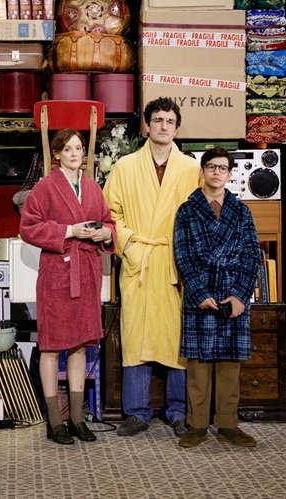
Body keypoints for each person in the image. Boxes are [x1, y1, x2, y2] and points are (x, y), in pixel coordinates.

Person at [102, 97, 203, 437]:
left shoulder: (190, 168)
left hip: (175, 262)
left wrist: (187, 253)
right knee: (137, 335)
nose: (163, 126)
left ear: (177, 128)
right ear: (146, 125)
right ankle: (136, 412)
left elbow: (201, 214)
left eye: (169, 121)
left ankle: (178, 411)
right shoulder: (125, 166)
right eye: (157, 120)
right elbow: (109, 214)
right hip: (140, 261)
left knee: (178, 338)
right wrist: (129, 245)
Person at [19, 128, 117, 445]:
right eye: (69, 149)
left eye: (79, 148)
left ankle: (76, 418)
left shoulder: (93, 188)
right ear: (57, 154)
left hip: (86, 273)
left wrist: (105, 234)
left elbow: (108, 222)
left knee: (79, 345)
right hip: (56, 274)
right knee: (51, 346)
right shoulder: (45, 188)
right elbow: (28, 227)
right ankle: (55, 421)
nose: (75, 153)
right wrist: (69, 230)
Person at [173, 148, 261, 448]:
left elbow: (252, 255)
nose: (216, 172)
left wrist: (240, 296)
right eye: (211, 167)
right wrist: (198, 293)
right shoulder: (187, 210)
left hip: (232, 294)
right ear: (202, 171)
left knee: (229, 365)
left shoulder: (242, 211)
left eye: (222, 168)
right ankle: (196, 425)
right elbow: (182, 255)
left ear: (230, 173)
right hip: (201, 293)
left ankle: (228, 425)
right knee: (198, 366)